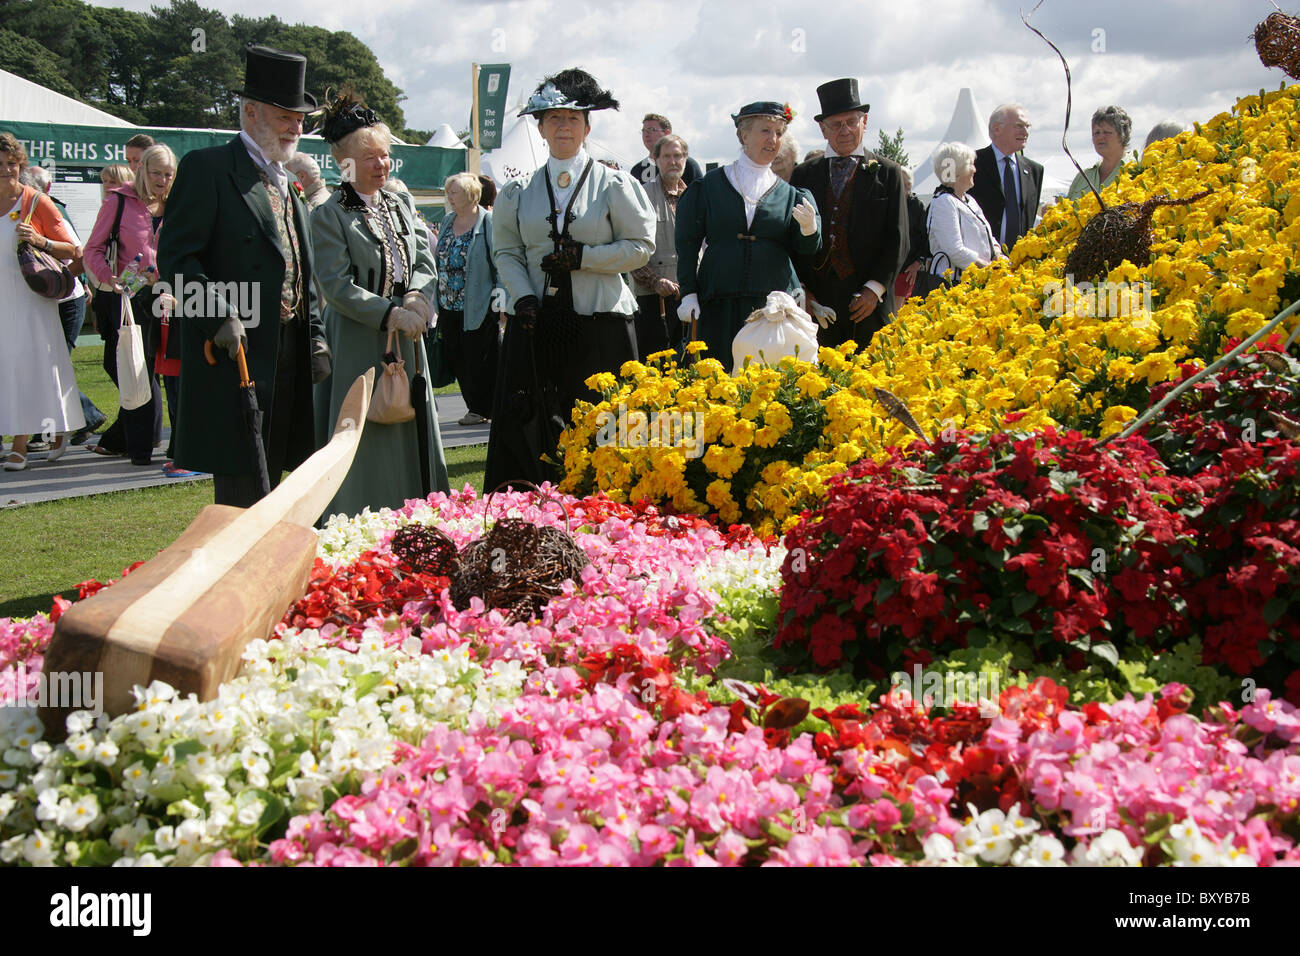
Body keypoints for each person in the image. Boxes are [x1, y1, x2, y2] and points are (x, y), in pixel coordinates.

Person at [156, 45, 331, 507]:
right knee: (244, 484)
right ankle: (239, 575)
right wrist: (217, 316)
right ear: (251, 112)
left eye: (300, 119)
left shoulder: (288, 184)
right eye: (285, 117)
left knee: (286, 484)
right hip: (238, 351)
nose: (296, 128)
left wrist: (314, 333)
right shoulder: (208, 168)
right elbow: (176, 260)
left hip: (289, 348)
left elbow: (299, 269)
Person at [486, 67, 655, 489]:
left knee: (608, 422)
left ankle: (612, 508)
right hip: (536, 322)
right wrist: (522, 297)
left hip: (602, 324)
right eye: (555, 119)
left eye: (573, 119)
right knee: (536, 419)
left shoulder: (615, 183)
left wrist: (585, 257)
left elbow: (641, 246)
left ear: (587, 127)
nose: (564, 126)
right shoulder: (516, 191)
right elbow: (506, 251)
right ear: (540, 128)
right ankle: (535, 502)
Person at [309, 91, 449, 515]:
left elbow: (424, 257)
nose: (381, 165)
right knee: (361, 427)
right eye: (370, 157)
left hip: (409, 338)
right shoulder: (329, 214)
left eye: (385, 155)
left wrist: (418, 298)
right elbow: (336, 285)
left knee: (412, 421)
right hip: (357, 339)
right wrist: (391, 313)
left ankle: (416, 509)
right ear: (343, 162)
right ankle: (357, 515)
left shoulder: (399, 202)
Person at [677, 101, 821, 371]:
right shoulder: (708, 187)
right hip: (719, 301)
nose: (773, 139)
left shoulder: (791, 195)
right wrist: (688, 292)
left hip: (771, 310)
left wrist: (809, 229)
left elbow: (807, 249)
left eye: (779, 132)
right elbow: (686, 244)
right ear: (744, 136)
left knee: (768, 383)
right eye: (765, 130)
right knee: (718, 377)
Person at [789, 78, 907, 351]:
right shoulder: (804, 173)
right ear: (822, 128)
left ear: (864, 121)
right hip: (818, 304)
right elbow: (791, 237)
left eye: (851, 122)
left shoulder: (888, 173)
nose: (845, 131)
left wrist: (874, 289)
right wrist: (803, 289)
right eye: (836, 124)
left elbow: (898, 238)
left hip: (868, 304)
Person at [84, 143, 177, 467]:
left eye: (168, 174)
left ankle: (170, 445)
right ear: (142, 171)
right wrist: (110, 279)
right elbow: (92, 249)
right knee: (133, 368)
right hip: (127, 297)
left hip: (169, 297)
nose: (162, 180)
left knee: (168, 372)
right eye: (156, 173)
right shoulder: (119, 201)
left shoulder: (177, 204)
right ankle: (140, 450)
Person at [0, 132, 84, 470]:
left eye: (12, 163)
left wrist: (40, 241)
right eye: (0, 164)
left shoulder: (35, 202)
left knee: (27, 370)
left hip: (30, 301)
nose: (7, 170)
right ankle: (58, 428)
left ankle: (20, 445)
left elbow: (76, 252)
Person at [19, 164, 107, 447]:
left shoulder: (47, 213)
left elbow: (77, 253)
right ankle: (81, 419)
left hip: (66, 301)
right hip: (37, 302)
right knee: (44, 368)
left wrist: (67, 278)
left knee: (51, 368)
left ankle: (71, 422)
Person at [434, 171, 499, 427]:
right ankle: (475, 405)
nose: (450, 196)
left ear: (471, 195)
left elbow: (499, 262)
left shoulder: (487, 222)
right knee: (456, 356)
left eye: (455, 192)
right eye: (449, 191)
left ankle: (484, 407)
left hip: (479, 303)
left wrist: (501, 299)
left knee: (480, 358)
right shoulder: (448, 221)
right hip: (448, 304)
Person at [629, 133, 689, 357]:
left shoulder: (694, 195)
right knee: (653, 368)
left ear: (685, 159)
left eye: (677, 156)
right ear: (656, 160)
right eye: (666, 156)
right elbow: (632, 247)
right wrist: (655, 280)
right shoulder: (642, 195)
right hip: (652, 300)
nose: (673, 161)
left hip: (688, 297)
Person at [969, 103, 1044, 251]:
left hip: (1022, 262)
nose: (1025, 132)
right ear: (997, 129)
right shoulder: (972, 163)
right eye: (1019, 126)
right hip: (982, 259)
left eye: (1027, 126)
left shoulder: (1035, 170)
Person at [925, 142, 1003, 283]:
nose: (975, 170)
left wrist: (998, 255)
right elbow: (955, 250)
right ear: (957, 170)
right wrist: (988, 267)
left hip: (977, 280)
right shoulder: (944, 202)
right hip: (956, 285)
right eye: (971, 164)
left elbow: (988, 236)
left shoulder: (969, 200)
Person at [1067, 106, 1132, 201]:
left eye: (1107, 132)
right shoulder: (1083, 177)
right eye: (1096, 133)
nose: (1100, 137)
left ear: (1122, 136)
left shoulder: (1136, 171)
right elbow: (1067, 212)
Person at [630, 113, 705, 187]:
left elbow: (701, 195)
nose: (646, 134)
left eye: (651, 130)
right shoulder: (637, 170)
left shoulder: (688, 165)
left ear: (667, 133)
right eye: (643, 131)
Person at [894, 167, 930, 302]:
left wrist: (917, 263)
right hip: (889, 268)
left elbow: (925, 238)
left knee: (896, 313)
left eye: (906, 184)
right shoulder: (889, 202)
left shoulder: (917, 206)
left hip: (907, 269)